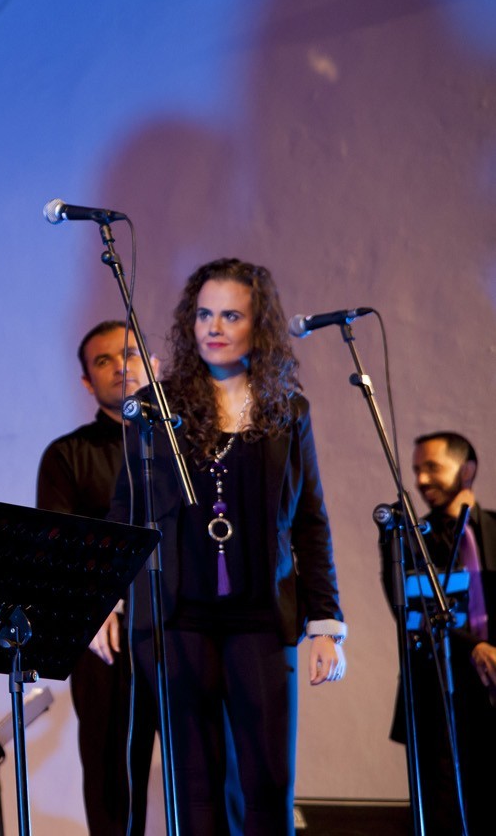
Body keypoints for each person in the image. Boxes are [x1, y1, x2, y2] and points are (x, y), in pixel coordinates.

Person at [95, 257, 346, 835]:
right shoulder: (157, 409)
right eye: (204, 314)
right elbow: (125, 512)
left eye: (231, 316)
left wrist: (326, 623)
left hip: (260, 617)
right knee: (196, 790)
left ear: (259, 325)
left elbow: (310, 520)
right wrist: (106, 600)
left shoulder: (288, 411)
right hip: (178, 618)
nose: (213, 327)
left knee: (268, 783)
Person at [36, 320, 157, 836]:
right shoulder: (68, 454)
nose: (119, 367)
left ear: (153, 365)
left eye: (129, 354)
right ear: (87, 382)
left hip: (183, 627)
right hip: (106, 633)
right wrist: (97, 605)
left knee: (206, 770)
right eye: (103, 361)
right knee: (112, 781)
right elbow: (58, 549)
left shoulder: (185, 448)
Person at [382, 431, 495, 832]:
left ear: (467, 470)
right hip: (437, 699)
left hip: (491, 693)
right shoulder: (410, 539)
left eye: (432, 467)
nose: (421, 480)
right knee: (442, 814)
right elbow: (415, 612)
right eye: (416, 470)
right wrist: (476, 647)